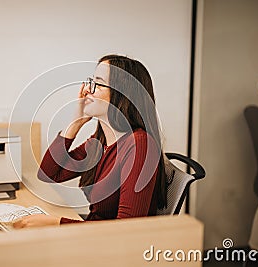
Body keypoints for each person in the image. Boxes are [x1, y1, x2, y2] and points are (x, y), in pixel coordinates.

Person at [14, 54, 167, 228]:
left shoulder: (139, 145)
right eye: (90, 81)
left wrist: (56, 222)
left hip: (111, 246)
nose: (86, 89)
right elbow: (49, 173)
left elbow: (126, 228)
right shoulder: (99, 141)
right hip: (94, 235)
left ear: (122, 94)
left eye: (98, 84)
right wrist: (75, 122)